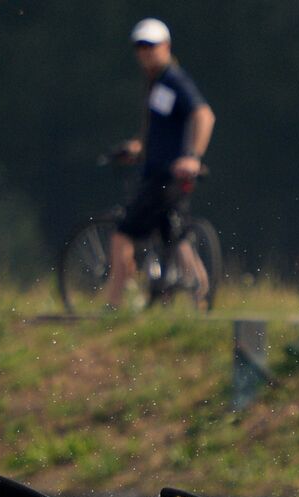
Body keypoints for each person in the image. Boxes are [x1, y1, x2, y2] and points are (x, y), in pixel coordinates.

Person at [103, 18, 216, 310]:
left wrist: (193, 156)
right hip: (160, 169)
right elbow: (163, 132)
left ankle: (113, 304)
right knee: (175, 237)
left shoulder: (174, 80)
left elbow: (204, 115)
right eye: (140, 47)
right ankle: (202, 298)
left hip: (165, 176)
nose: (144, 52)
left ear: (166, 46)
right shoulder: (157, 84)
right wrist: (138, 148)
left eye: (150, 46)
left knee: (123, 234)